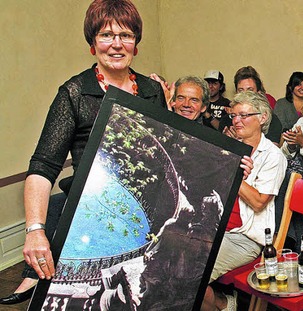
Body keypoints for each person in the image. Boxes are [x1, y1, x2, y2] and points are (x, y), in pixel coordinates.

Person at [0, 0, 167, 305]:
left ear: (136, 45)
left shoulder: (151, 91)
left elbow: (167, 152)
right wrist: (35, 231)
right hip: (91, 224)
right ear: (93, 44)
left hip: (145, 222)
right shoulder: (74, 93)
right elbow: (42, 167)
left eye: (126, 35)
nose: (116, 44)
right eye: (106, 35)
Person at [202, 91, 287, 311]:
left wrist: (230, 169)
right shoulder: (229, 146)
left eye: (244, 115)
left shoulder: (273, 156)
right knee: (165, 263)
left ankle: (222, 305)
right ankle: (223, 303)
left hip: (244, 237)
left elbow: (259, 202)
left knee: (189, 276)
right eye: (234, 116)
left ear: (263, 118)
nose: (236, 121)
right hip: (213, 227)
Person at [218, 66, 283, 143]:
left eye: (250, 90)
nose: (245, 94)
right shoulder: (227, 120)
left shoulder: (270, 119)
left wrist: (240, 142)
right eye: (241, 90)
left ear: (258, 93)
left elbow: (272, 151)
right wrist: (225, 141)